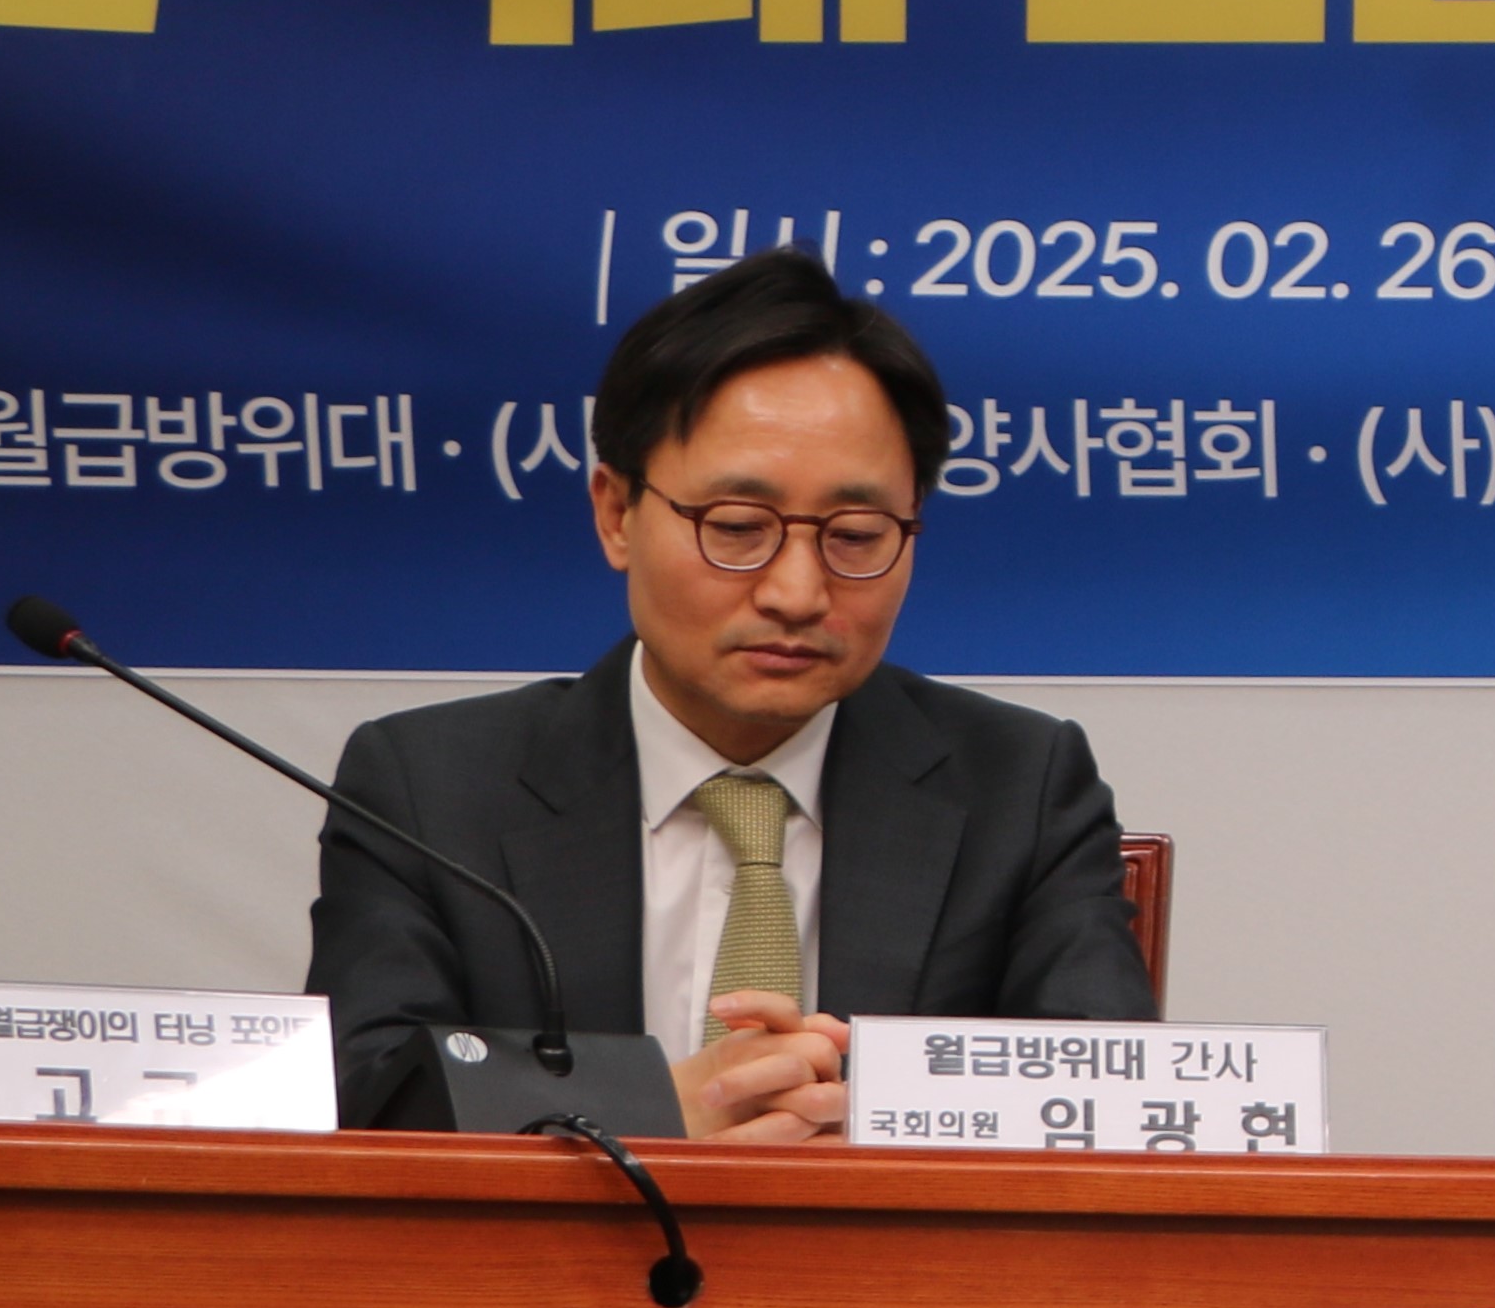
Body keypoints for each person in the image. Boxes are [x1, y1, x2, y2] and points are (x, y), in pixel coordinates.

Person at [308, 251, 1154, 1137]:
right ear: (616, 513)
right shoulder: (427, 789)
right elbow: (368, 1097)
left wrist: (859, 1135)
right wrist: (653, 1114)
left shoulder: (1020, 786)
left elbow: (1105, 1107)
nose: (797, 592)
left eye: (856, 534)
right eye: (739, 526)